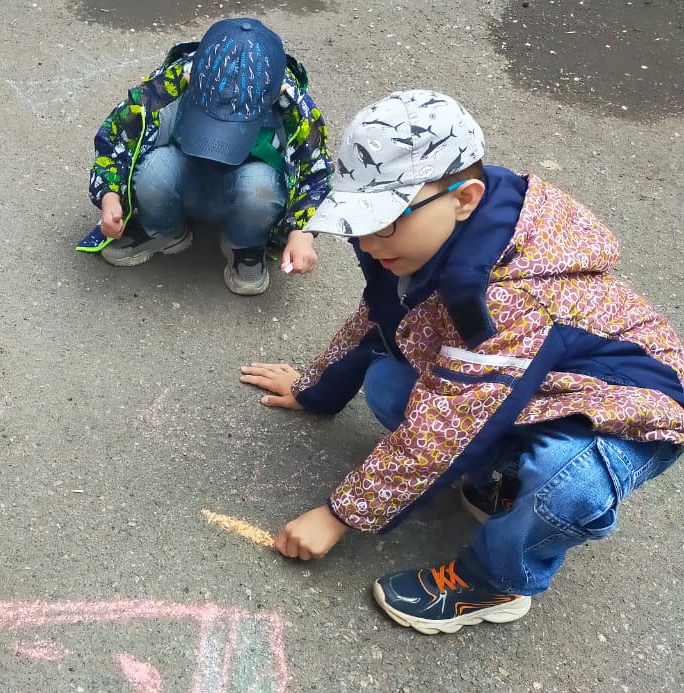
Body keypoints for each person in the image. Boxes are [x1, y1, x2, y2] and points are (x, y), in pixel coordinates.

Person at [241, 90, 684, 634]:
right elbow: (381, 320)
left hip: (623, 412)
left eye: (385, 221)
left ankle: (496, 580)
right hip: (530, 385)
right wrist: (315, 390)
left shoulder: (509, 297)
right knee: (389, 383)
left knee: (567, 482)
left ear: (464, 198)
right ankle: (504, 479)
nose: (368, 241)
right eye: (359, 220)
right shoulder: (416, 243)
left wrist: (339, 515)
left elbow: (446, 427)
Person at [77, 17, 332, 296]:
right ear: (190, 80)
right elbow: (116, 139)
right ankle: (162, 229)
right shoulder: (164, 89)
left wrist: (301, 233)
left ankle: (245, 245)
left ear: (277, 95)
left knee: (261, 189)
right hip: (184, 179)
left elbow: (315, 173)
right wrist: (110, 195)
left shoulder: (297, 112)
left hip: (247, 195)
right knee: (153, 170)